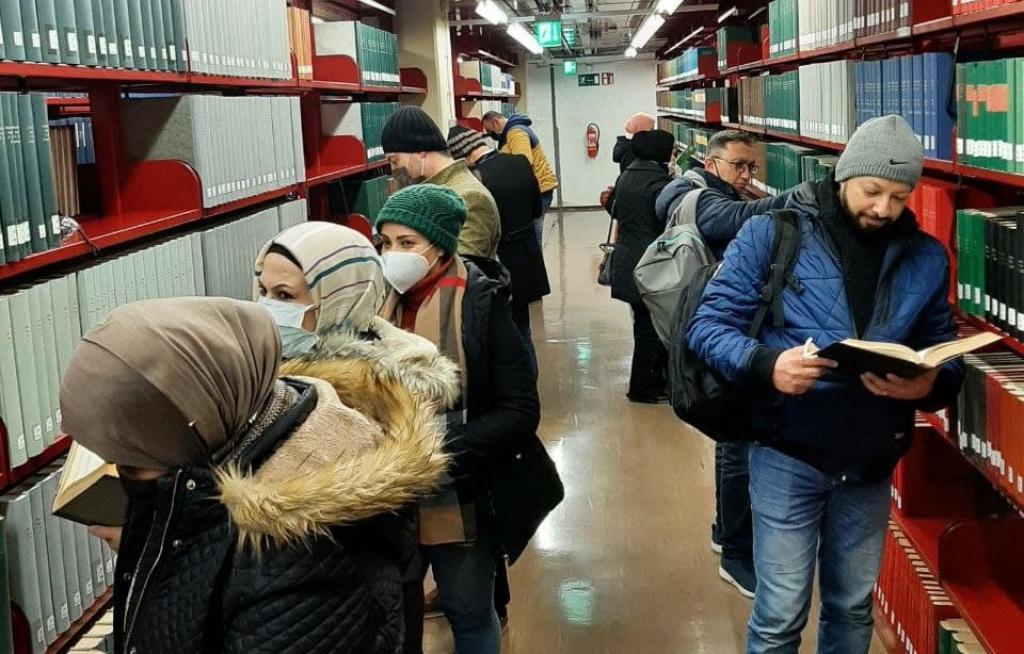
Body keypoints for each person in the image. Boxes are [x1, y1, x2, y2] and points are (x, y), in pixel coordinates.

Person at [687, 115, 964, 654]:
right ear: (844, 175)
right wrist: (768, 364)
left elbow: (941, 349)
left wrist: (929, 386)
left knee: (852, 607)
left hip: (869, 459)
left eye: (899, 197)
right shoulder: (773, 232)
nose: (883, 208)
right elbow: (707, 326)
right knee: (780, 613)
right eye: (872, 191)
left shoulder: (926, 257)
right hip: (788, 449)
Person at [60, 297, 450, 654]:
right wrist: (158, 545)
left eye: (130, 465)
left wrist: (163, 550)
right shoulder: (216, 459)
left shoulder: (300, 558)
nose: (121, 479)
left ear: (196, 426)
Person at [251, 221, 462, 654]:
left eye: (285, 296)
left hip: (350, 604)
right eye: (263, 290)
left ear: (338, 297)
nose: (266, 306)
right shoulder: (259, 373)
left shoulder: (372, 395)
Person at [376, 184, 548, 654]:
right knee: (394, 613)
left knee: (468, 610)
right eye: (385, 242)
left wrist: (436, 450)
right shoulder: (374, 305)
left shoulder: (481, 304)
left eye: (407, 243)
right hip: (387, 495)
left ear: (439, 246)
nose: (392, 255)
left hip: (462, 492)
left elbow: (520, 412)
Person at [656, 129, 796, 599]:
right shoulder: (703, 200)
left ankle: (724, 530)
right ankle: (737, 554)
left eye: (752, 167)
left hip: (719, 334)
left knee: (729, 443)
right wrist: (802, 196)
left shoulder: (696, 190)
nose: (747, 175)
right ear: (711, 163)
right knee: (736, 447)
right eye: (739, 165)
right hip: (719, 337)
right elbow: (739, 218)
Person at [447, 125, 551, 360]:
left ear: (465, 156)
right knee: (524, 330)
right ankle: (529, 379)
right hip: (526, 258)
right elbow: (536, 210)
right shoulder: (520, 162)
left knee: (503, 340)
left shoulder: (475, 181)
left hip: (498, 266)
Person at [608, 129, 676, 404]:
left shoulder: (627, 175)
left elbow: (613, 209)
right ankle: (643, 388)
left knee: (644, 325)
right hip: (651, 264)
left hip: (628, 261)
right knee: (651, 328)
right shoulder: (660, 183)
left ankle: (650, 383)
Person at [382, 106, 501, 259]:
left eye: (395, 161)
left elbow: (461, 265)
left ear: (420, 152)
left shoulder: (469, 197)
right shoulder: (431, 191)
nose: (394, 169)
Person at [481, 111, 558, 245]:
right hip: (534, 189)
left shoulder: (516, 133)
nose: (491, 135)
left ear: (496, 122)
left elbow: (523, 163)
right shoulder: (510, 133)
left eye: (490, 130)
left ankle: (535, 259)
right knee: (531, 234)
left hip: (538, 190)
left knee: (534, 235)